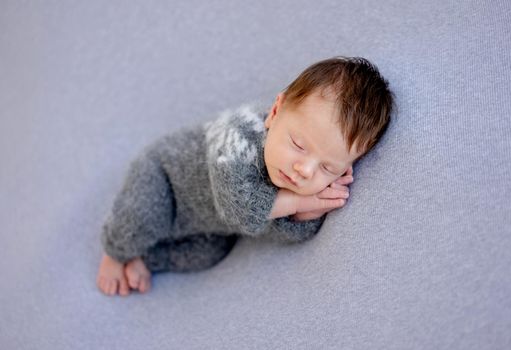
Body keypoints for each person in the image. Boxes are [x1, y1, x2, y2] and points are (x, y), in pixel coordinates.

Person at [96, 56, 395, 296]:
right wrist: (297, 204)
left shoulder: (295, 184)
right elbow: (237, 206)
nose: (304, 170)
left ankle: (145, 259)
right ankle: (115, 253)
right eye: (298, 145)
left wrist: (310, 214)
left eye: (328, 168)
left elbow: (273, 230)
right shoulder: (240, 129)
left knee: (211, 253)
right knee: (138, 218)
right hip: (165, 181)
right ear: (275, 112)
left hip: (207, 223)